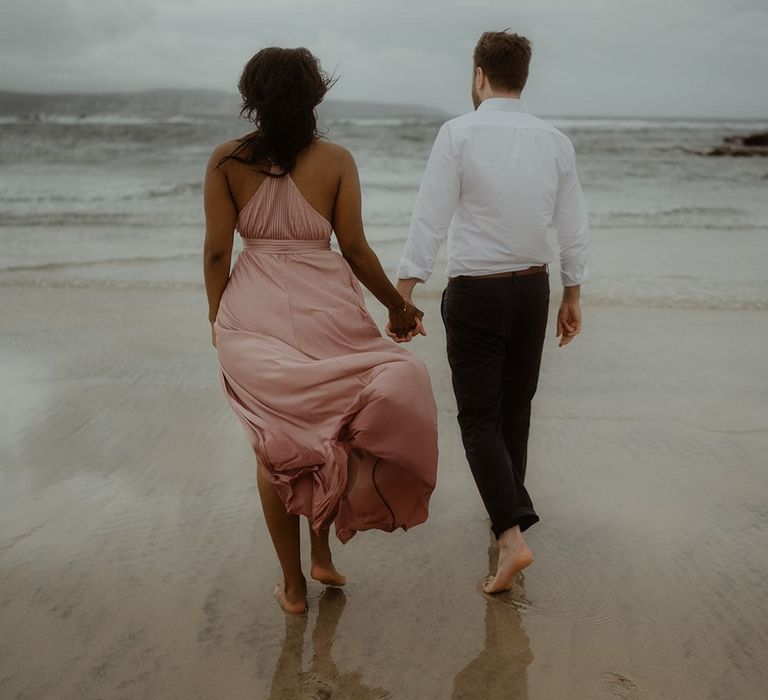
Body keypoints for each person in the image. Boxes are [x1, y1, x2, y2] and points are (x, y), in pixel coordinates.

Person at [203, 47, 439, 614]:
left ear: (251, 98)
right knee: (333, 430)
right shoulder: (335, 160)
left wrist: (219, 323)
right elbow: (354, 247)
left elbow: (216, 252)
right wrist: (398, 309)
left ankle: (296, 582)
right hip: (325, 311)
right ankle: (319, 556)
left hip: (251, 315)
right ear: (316, 95)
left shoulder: (225, 162)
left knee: (276, 448)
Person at [390, 30, 590, 593]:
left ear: (479, 74)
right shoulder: (555, 140)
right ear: (522, 77)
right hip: (533, 289)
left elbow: (429, 217)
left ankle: (509, 536)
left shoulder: (458, 133)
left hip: (476, 292)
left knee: (479, 420)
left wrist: (404, 293)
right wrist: (572, 293)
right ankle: (506, 519)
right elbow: (573, 227)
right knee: (515, 412)